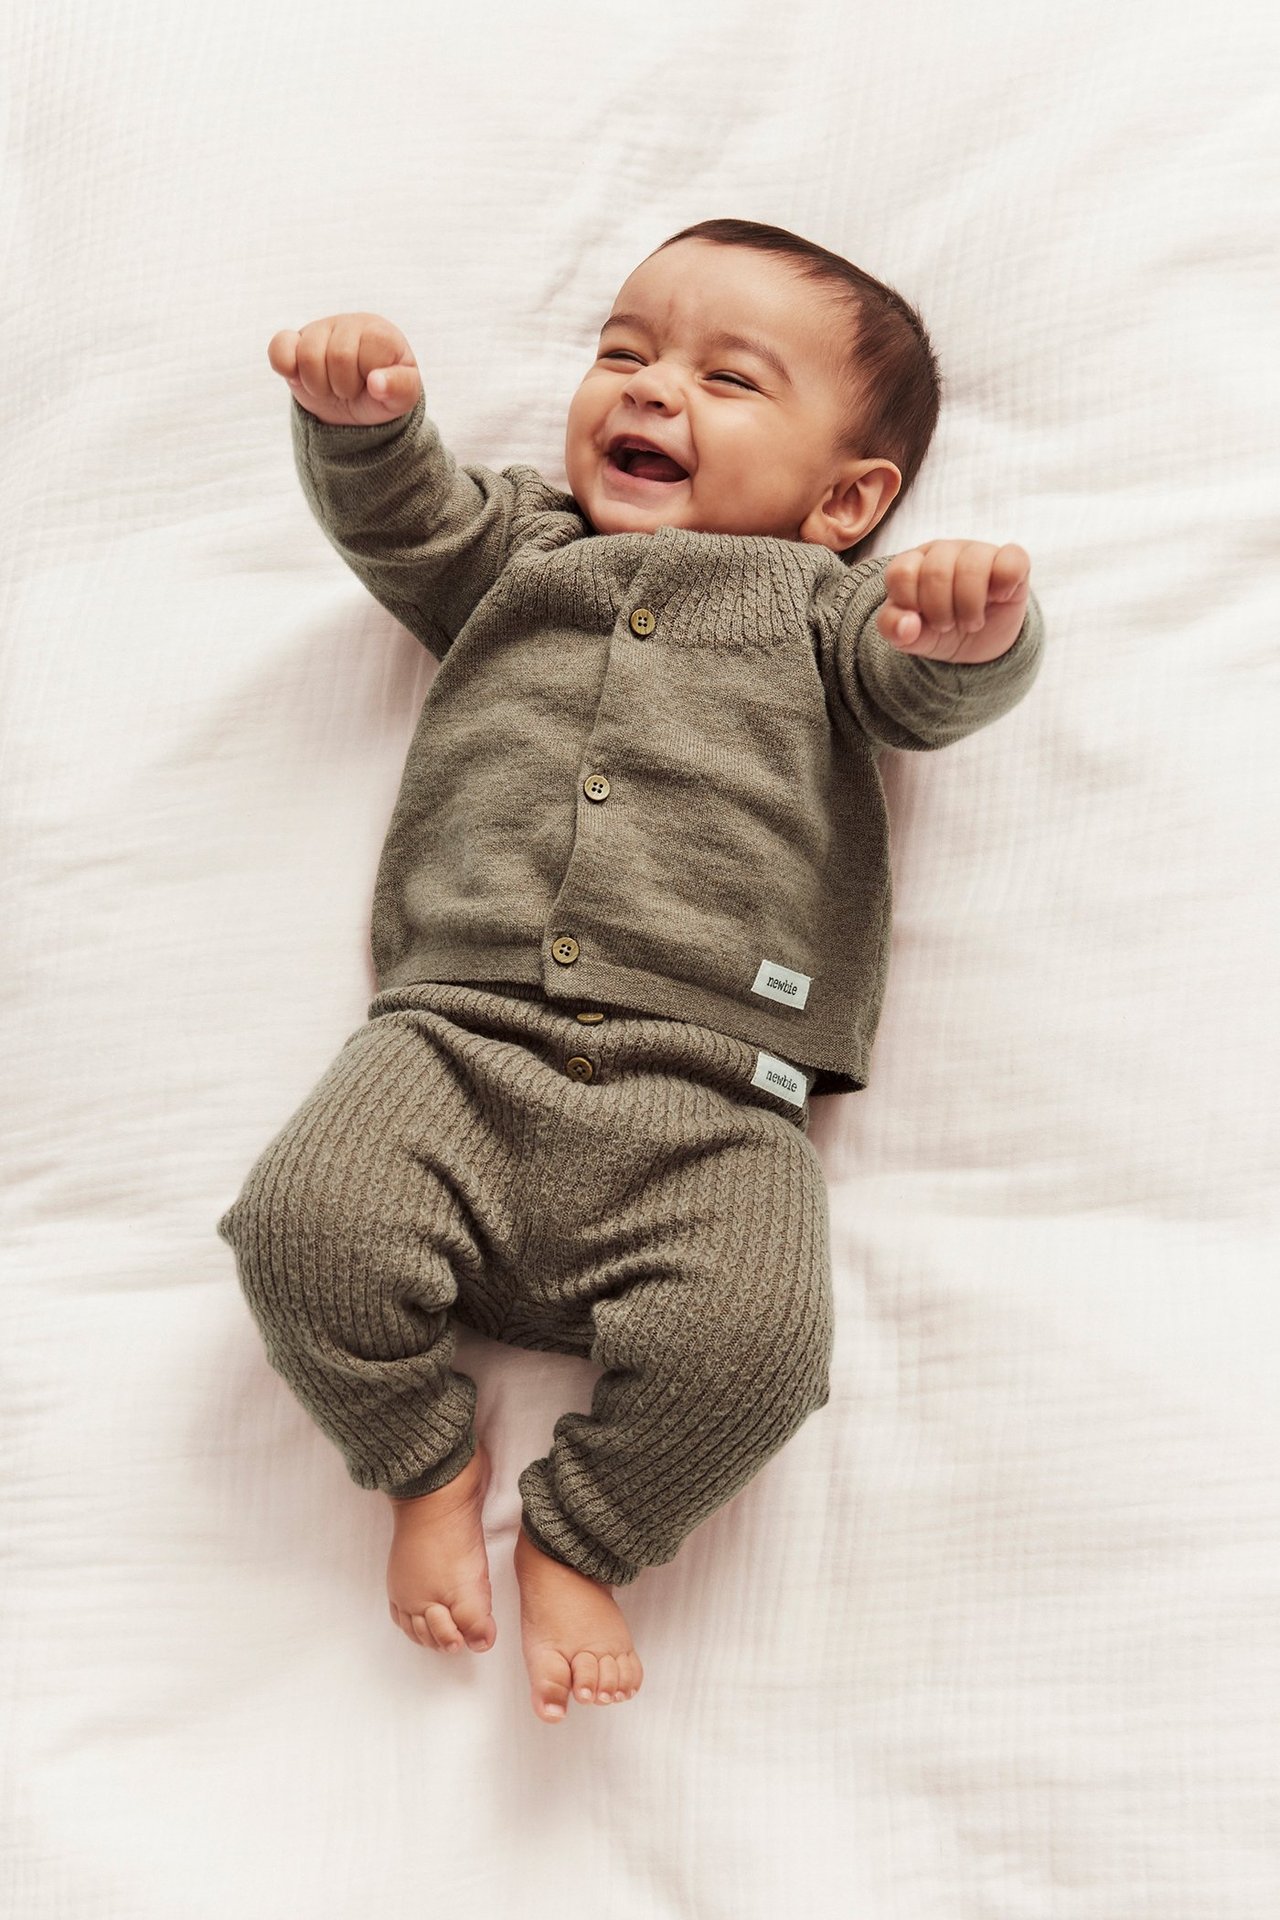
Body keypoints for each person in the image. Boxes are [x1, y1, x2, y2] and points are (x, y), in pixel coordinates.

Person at [218, 217, 1046, 1724]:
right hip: (453, 1043)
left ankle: (583, 1537)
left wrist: (969, 632)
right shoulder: (524, 551)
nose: (651, 390)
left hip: (720, 1090)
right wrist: (367, 427)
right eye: (623, 351)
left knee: (758, 1353)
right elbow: (406, 525)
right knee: (299, 1231)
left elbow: (922, 692)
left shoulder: (830, 611)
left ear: (846, 500)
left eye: (729, 379)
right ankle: (420, 1456)